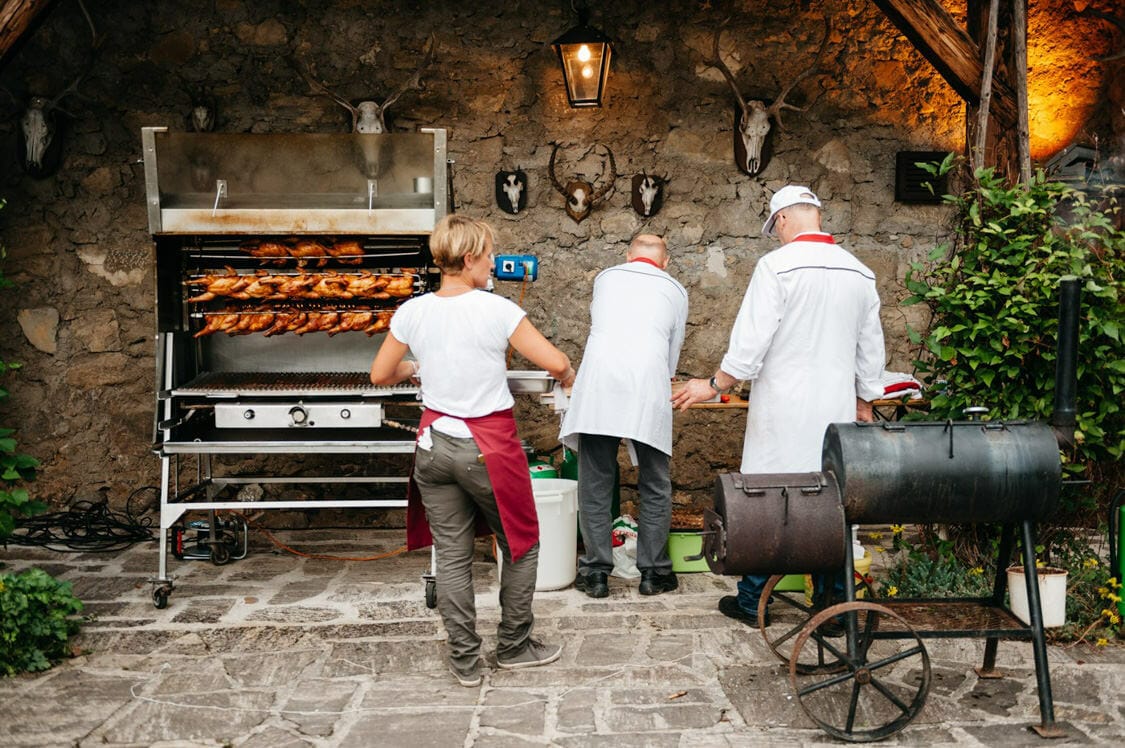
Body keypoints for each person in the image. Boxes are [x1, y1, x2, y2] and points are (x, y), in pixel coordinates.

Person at [370, 214, 577, 688]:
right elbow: (556, 361)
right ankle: (514, 645)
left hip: (433, 447)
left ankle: (465, 661)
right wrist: (566, 377)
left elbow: (380, 374)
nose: (492, 263)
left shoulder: (413, 311)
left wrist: (415, 367)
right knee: (521, 545)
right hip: (487, 448)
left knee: (453, 555)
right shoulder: (496, 310)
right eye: (487, 254)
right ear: (468, 259)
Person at [671, 185, 885, 628]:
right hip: (835, 413)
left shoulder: (776, 266)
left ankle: (754, 600)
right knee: (832, 501)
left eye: (776, 228)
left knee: (769, 500)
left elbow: (751, 342)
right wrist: (864, 402)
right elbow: (871, 351)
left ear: (783, 219)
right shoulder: (859, 272)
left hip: (783, 409)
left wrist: (715, 383)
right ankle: (833, 605)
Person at [560, 234, 689, 599]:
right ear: (665, 262)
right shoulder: (675, 289)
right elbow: (672, 347)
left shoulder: (606, 277)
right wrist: (667, 377)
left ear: (628, 256)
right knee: (654, 483)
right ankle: (654, 572)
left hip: (599, 384)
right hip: (648, 383)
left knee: (596, 483)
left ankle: (596, 573)